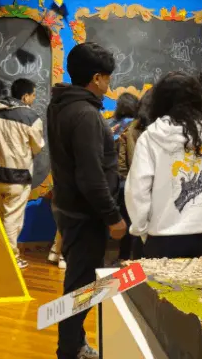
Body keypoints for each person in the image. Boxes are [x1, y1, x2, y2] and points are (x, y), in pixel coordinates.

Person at [47, 42, 127, 359]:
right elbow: (91, 177)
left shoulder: (61, 104)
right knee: (81, 290)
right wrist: (113, 216)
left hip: (70, 208)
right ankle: (69, 350)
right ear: (96, 78)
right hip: (85, 214)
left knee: (77, 283)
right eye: (107, 78)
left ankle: (75, 342)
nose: (109, 84)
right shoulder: (86, 115)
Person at [125, 72, 202, 259]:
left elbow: (138, 189)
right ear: (198, 99)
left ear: (159, 101)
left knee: (161, 280)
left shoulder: (151, 137)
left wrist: (141, 229)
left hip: (162, 236)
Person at [0, 78, 44, 269]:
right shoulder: (31, 118)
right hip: (17, 178)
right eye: (33, 95)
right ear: (25, 96)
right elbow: (37, 147)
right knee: (12, 220)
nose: (34, 99)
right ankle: (10, 259)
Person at [117, 88, 153, 260]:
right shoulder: (158, 131)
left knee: (130, 221)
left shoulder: (128, 128)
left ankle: (125, 257)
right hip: (155, 189)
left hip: (129, 183)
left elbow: (121, 163)